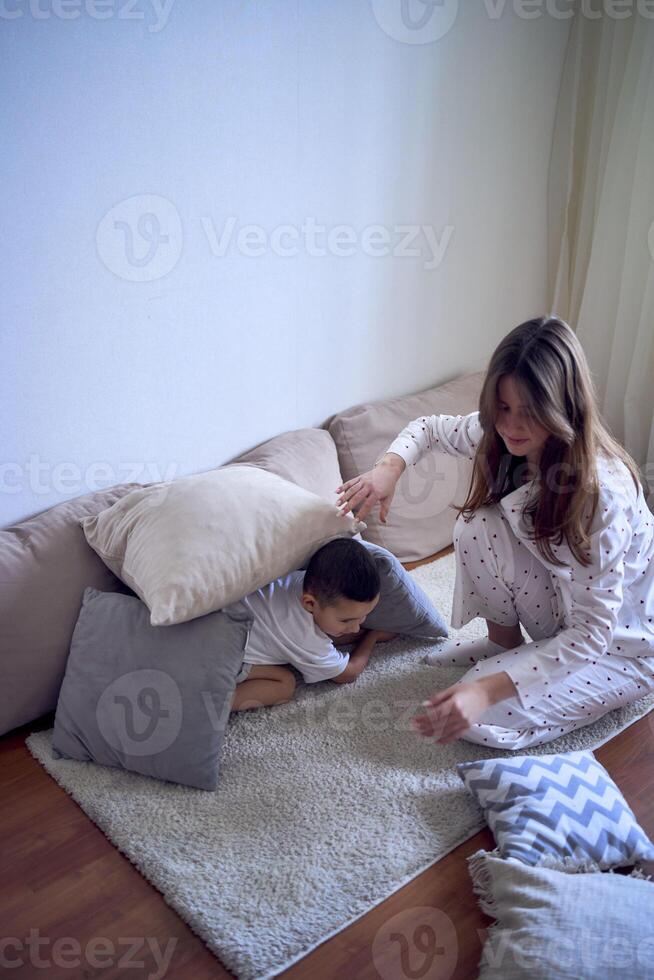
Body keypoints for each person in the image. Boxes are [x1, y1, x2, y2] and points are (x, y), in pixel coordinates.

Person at [336, 315, 654, 750]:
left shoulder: (604, 493)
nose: (511, 426)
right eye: (502, 408)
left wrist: (487, 691)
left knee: (474, 716)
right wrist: (387, 470)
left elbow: (592, 634)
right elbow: (428, 429)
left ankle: (582, 697)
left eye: (529, 412)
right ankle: (499, 644)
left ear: (564, 408)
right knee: (476, 524)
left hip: (620, 647)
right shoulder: (502, 435)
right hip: (562, 605)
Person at [230, 537, 396, 711]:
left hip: (223, 625)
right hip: (227, 659)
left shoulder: (302, 582)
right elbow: (348, 673)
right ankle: (212, 705)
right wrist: (373, 636)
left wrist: (351, 628)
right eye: (346, 620)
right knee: (284, 684)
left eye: (364, 616)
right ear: (309, 603)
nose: (356, 627)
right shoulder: (305, 636)